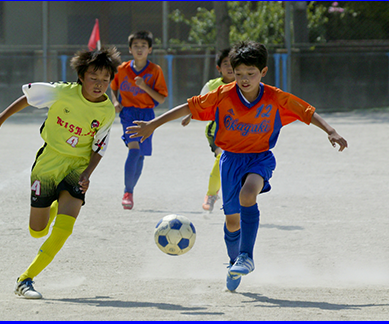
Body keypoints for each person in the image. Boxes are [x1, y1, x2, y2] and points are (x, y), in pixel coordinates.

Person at [126, 41, 348, 292]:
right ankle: (234, 263)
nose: (244, 79)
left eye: (251, 74)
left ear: (263, 72)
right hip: (230, 160)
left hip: (260, 158)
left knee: (248, 193)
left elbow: (307, 111)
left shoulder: (275, 97)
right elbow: (190, 106)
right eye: (239, 73)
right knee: (232, 221)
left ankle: (246, 256)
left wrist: (331, 131)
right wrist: (153, 125)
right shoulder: (223, 95)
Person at [0, 47, 122, 299]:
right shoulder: (62, 92)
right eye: (94, 77)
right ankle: (54, 206)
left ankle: (25, 279)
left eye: (105, 80)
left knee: (63, 229)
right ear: (81, 76)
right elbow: (29, 98)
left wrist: (87, 174)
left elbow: (100, 145)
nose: (99, 84)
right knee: (37, 230)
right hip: (48, 164)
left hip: (77, 167)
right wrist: (0, 118)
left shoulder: (107, 111)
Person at [110, 30, 168, 210]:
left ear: (149, 49)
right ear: (130, 49)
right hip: (128, 114)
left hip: (147, 115)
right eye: (136, 46)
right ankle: (127, 192)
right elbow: (112, 87)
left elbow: (161, 99)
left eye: (143, 46)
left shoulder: (155, 71)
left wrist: (144, 86)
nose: (140, 49)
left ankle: (131, 190)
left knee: (141, 156)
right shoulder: (121, 69)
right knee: (134, 151)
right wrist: (115, 101)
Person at [181, 48, 235, 212]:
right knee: (222, 157)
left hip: (238, 132)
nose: (230, 66)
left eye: (233, 63)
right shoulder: (212, 85)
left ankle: (234, 199)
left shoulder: (243, 84)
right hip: (216, 131)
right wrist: (190, 115)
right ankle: (211, 195)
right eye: (225, 63)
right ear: (219, 68)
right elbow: (199, 103)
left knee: (233, 164)